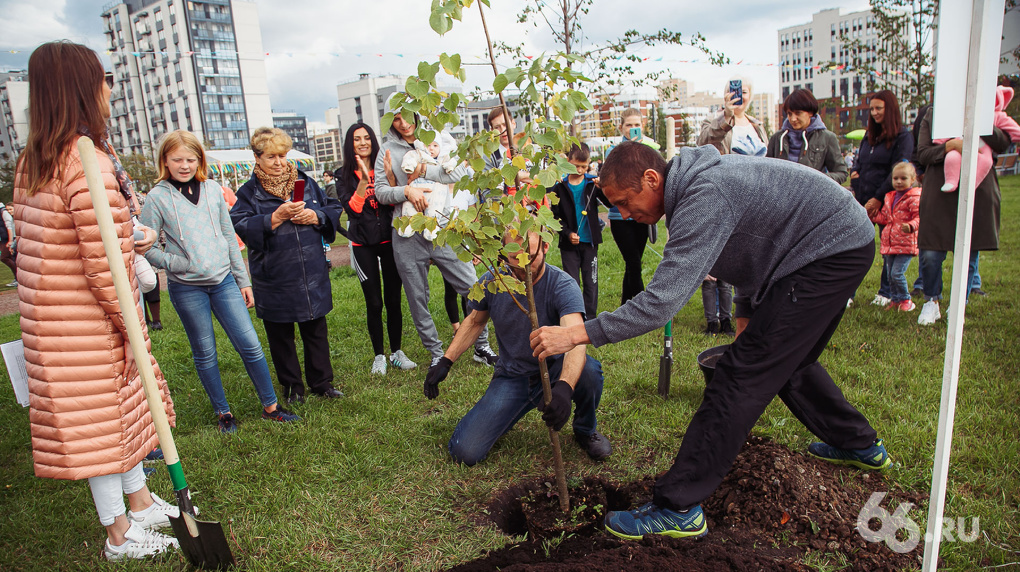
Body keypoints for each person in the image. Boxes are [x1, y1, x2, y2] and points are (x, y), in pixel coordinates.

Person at [530, 141, 892, 541]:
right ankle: (860, 445)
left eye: (626, 203)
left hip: (830, 248)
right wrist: (745, 316)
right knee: (789, 359)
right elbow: (757, 247)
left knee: (740, 374)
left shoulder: (706, 194)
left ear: (652, 179)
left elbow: (659, 303)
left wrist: (577, 332)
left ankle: (678, 507)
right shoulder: (698, 189)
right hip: (826, 246)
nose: (627, 216)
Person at [14, 40, 180, 561]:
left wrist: (128, 238)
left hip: (57, 324)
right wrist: (128, 323)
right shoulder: (85, 161)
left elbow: (71, 240)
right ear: (82, 88)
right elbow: (102, 264)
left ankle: (142, 502)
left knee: (123, 416)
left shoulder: (34, 160)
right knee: (101, 431)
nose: (109, 89)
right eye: (102, 79)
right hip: (86, 325)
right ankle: (118, 533)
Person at [142, 130, 298, 432]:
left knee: (251, 344)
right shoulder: (157, 198)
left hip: (224, 281)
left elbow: (230, 237)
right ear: (165, 161)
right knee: (205, 351)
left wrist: (243, 280)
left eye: (191, 159)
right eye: (177, 160)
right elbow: (147, 246)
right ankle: (223, 413)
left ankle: (271, 407)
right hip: (187, 288)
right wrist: (176, 264)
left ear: (199, 160)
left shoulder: (213, 190)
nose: (185, 165)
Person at [425, 231, 612, 465]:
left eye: (530, 257)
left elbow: (575, 341)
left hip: (555, 370)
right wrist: (446, 361)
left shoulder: (561, 284)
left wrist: (564, 388)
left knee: (589, 372)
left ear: (545, 248)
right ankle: (504, 415)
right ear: (503, 254)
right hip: (513, 376)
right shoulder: (494, 281)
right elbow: (474, 321)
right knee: (465, 452)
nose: (524, 266)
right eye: (515, 258)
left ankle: (585, 430)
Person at [374, 97, 497, 367]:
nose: (404, 123)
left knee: (472, 287)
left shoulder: (438, 136)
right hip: (407, 233)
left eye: (407, 115)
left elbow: (459, 172)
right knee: (418, 298)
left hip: (443, 227)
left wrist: (423, 170)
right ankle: (437, 354)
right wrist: (406, 190)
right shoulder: (387, 150)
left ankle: (482, 347)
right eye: (396, 119)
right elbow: (380, 192)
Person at [231, 127, 345, 404]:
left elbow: (332, 207)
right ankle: (293, 387)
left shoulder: (305, 182)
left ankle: (322, 383)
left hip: (310, 273)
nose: (279, 162)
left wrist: (315, 216)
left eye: (282, 155)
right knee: (281, 335)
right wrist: (275, 217)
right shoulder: (248, 192)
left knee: (316, 329)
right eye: (271, 156)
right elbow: (241, 224)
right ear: (257, 158)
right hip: (274, 276)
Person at [914, 106, 1011, 325]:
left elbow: (1003, 143)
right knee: (931, 253)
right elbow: (923, 153)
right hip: (940, 187)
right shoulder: (934, 112)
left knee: (969, 253)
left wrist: (981, 120)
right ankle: (931, 301)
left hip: (977, 186)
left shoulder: (987, 109)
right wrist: (949, 146)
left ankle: (959, 304)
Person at [336, 122, 416, 375]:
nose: (362, 142)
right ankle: (379, 355)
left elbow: (394, 196)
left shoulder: (385, 165)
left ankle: (396, 352)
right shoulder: (343, 174)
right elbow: (352, 210)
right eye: (357, 139)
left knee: (393, 299)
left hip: (390, 240)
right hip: (363, 245)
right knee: (374, 302)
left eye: (367, 138)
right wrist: (361, 181)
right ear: (350, 144)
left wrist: (389, 174)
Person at [696, 79, 768, 335]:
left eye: (742, 92)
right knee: (727, 259)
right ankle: (725, 318)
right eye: (731, 91)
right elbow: (705, 141)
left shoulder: (757, 125)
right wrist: (726, 115)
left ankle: (750, 313)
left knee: (753, 256)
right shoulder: (714, 121)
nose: (737, 96)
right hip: (727, 196)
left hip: (756, 198)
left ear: (751, 95)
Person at [849, 90, 913, 307]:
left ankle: (886, 293)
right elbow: (858, 167)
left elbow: (896, 170)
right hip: (863, 200)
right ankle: (848, 293)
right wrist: (858, 187)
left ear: (890, 110)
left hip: (888, 203)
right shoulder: (869, 137)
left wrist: (878, 198)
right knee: (854, 248)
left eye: (879, 109)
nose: (874, 113)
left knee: (889, 249)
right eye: (872, 109)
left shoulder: (903, 138)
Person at [550, 142, 611, 319]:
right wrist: (568, 233)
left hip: (590, 242)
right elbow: (555, 217)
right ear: (567, 161)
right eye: (576, 166)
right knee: (572, 282)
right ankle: (574, 315)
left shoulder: (592, 184)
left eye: (584, 166)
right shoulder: (560, 187)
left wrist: (603, 187)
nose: (580, 170)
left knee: (591, 281)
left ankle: (590, 318)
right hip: (569, 245)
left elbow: (610, 203)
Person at [608, 108, 657, 305]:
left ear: (643, 126)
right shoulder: (613, 151)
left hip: (642, 213)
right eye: (629, 125)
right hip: (621, 216)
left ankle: (625, 305)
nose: (633, 128)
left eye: (637, 125)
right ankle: (641, 307)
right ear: (621, 127)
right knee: (634, 262)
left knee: (634, 263)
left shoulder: (649, 149)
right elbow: (613, 180)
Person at [766, 88, 848, 184]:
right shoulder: (776, 138)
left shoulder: (827, 138)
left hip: (812, 197)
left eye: (798, 113)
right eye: (789, 114)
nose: (793, 119)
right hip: (781, 197)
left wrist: (819, 180)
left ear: (810, 112)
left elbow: (841, 173)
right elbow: (767, 171)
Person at [869, 162, 921, 312]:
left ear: (912, 180)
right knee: (890, 275)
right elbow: (886, 218)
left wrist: (911, 225)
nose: (898, 182)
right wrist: (873, 214)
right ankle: (896, 300)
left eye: (903, 178)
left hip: (905, 243)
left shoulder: (914, 198)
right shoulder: (889, 197)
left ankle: (906, 300)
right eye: (895, 178)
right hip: (890, 243)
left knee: (897, 273)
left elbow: (919, 216)